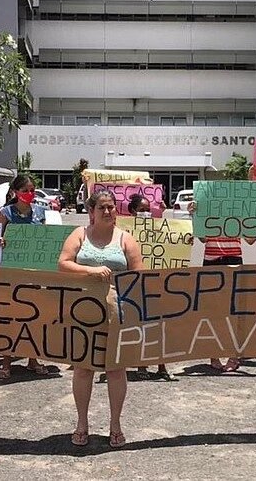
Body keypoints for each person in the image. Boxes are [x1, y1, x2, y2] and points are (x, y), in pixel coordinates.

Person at [58, 189, 144, 449]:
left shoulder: (126, 239)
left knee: (116, 368)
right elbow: (63, 263)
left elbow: (139, 274)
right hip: (83, 312)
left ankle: (115, 424)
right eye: (102, 207)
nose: (107, 211)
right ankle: (82, 423)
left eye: (111, 207)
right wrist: (89, 271)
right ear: (92, 212)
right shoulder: (79, 235)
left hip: (117, 313)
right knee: (83, 368)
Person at [186, 199, 256, 372]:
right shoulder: (208, 214)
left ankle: (234, 356)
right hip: (211, 261)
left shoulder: (239, 215)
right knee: (213, 310)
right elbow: (203, 238)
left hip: (234, 260)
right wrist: (195, 215)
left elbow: (251, 239)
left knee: (235, 310)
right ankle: (214, 354)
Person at [0, 174, 48, 379]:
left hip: (34, 272)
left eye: (32, 190)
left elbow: (44, 238)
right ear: (15, 192)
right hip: (11, 273)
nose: (29, 194)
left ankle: (33, 359)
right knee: (11, 318)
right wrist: (0, 242)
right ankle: (6, 362)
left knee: (34, 317)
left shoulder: (40, 212)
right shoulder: (4, 213)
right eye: (25, 190)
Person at [126, 195, 172, 381]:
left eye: (148, 210)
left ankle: (162, 365)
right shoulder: (126, 230)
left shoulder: (158, 227)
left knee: (160, 324)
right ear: (133, 211)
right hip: (136, 283)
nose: (146, 213)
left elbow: (173, 243)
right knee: (140, 324)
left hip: (156, 283)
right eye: (142, 210)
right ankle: (142, 364)